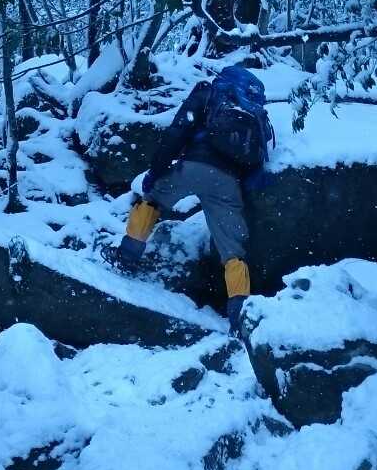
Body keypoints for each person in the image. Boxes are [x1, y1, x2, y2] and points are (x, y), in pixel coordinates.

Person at [116, 67, 273, 331]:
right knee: (232, 251)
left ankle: (127, 257)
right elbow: (256, 163)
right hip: (228, 182)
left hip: (193, 167)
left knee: (152, 200)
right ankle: (239, 313)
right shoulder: (254, 114)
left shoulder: (207, 93)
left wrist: (156, 171)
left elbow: (178, 131)